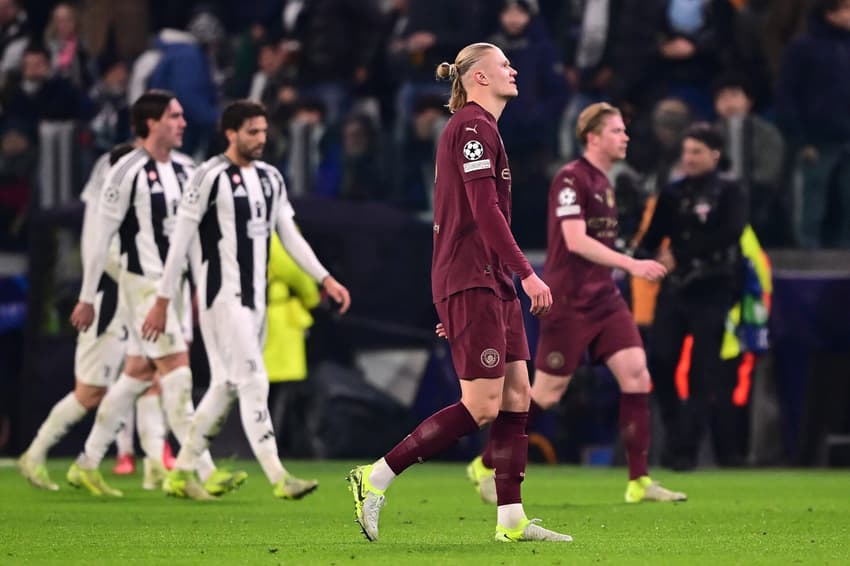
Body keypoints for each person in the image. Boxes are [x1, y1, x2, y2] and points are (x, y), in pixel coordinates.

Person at [347, 42, 571, 544]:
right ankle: (375, 476)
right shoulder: (471, 126)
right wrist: (527, 273)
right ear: (479, 79)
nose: (513, 69)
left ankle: (511, 520)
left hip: (488, 280)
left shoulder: (485, 129)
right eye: (503, 65)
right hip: (474, 276)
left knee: (518, 395)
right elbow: (484, 211)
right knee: (483, 404)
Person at [460, 102, 686, 504]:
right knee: (547, 393)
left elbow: (599, 243)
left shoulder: (606, 182)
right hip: (569, 301)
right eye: (617, 131)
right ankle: (486, 461)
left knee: (637, 376)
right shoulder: (570, 179)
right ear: (593, 137)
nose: (625, 137)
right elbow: (576, 240)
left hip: (605, 297)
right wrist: (631, 264)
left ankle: (639, 482)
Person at [141, 99, 351, 501]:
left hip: (256, 301)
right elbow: (181, 241)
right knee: (254, 378)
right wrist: (164, 298)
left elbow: (289, 235)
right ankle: (278, 476)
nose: (260, 139)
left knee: (225, 385)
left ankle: (183, 470)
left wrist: (324, 278)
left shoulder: (271, 178)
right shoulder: (208, 177)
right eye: (252, 132)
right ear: (230, 133)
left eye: (264, 131)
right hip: (222, 297)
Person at [67, 90, 240, 497]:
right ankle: (200, 468)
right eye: (174, 117)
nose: (183, 123)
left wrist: (204, 285)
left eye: (182, 116)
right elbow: (100, 239)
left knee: (137, 375)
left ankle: (86, 462)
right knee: (178, 373)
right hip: (142, 284)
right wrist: (88, 297)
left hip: (174, 287)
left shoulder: (185, 170)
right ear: (151, 123)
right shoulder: (123, 172)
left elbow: (199, 235)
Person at [17, 142, 165, 490]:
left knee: (145, 377)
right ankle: (35, 455)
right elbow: (108, 262)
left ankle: (148, 462)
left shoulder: (132, 215)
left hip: (129, 304)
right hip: (108, 305)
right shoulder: (107, 219)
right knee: (90, 392)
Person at [639, 122, 747, 471]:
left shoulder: (730, 192)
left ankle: (685, 451)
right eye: (686, 151)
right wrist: (630, 250)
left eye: (697, 151)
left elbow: (732, 233)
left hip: (714, 288)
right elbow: (653, 239)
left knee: (704, 372)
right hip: (675, 288)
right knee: (660, 361)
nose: (690, 158)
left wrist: (681, 254)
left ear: (715, 154)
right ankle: (675, 434)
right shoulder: (672, 193)